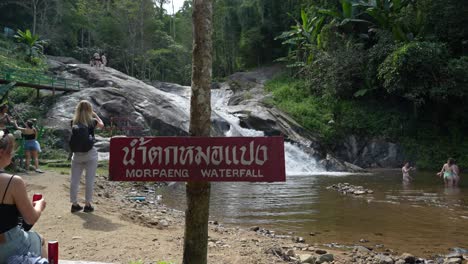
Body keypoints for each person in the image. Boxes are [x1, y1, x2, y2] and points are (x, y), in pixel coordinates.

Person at [0, 132, 47, 260]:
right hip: (6, 243)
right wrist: (38, 206)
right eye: (11, 150)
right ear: (1, 152)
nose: (12, 153)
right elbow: (30, 219)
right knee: (40, 239)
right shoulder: (13, 181)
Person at [69, 100, 104, 213]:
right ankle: (88, 205)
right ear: (90, 110)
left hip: (77, 156)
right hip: (90, 155)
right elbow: (102, 125)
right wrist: (95, 114)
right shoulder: (92, 122)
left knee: (74, 180)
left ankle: (74, 204)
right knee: (89, 180)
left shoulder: (73, 122)